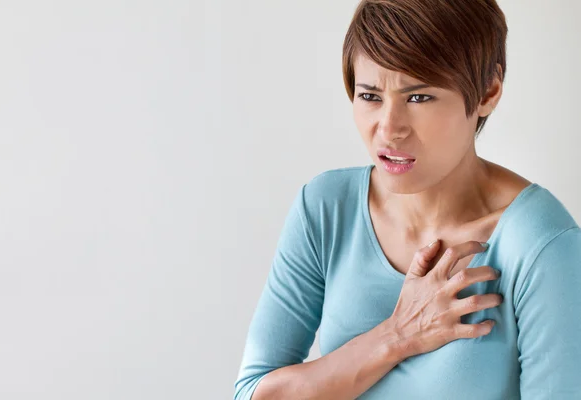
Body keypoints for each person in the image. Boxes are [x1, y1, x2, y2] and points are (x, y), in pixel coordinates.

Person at [234, 0, 581, 399]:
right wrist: (399, 334)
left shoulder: (542, 244)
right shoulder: (326, 208)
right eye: (370, 96)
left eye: (418, 97)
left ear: (488, 91)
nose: (389, 129)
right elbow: (253, 394)